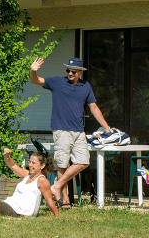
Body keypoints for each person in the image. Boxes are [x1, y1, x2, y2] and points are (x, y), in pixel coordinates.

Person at [29, 57, 112, 208]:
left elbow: (93, 107)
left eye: (73, 71)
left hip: (79, 130)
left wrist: (106, 127)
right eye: (68, 70)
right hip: (61, 129)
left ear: (80, 72)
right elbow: (36, 81)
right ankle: (65, 201)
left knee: (83, 161)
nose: (70, 73)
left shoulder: (86, 86)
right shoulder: (57, 82)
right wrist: (32, 71)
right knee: (62, 165)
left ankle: (56, 186)